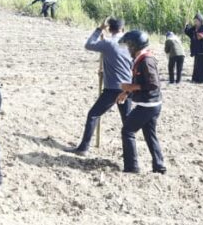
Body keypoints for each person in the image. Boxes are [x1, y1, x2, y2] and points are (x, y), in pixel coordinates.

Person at [64, 18, 131, 155]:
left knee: (93, 115)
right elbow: (124, 64)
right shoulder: (129, 45)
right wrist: (105, 71)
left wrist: (99, 29)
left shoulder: (108, 43)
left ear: (109, 29)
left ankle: (83, 148)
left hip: (113, 88)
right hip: (128, 88)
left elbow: (89, 45)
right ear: (123, 29)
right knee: (127, 121)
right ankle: (129, 153)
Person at [117, 30, 166, 174]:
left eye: (129, 46)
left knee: (127, 131)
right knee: (150, 135)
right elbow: (139, 81)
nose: (128, 49)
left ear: (135, 46)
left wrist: (130, 87)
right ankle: (159, 166)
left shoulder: (146, 60)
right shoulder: (141, 58)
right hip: (152, 104)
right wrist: (126, 92)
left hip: (148, 105)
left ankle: (131, 167)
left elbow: (153, 84)